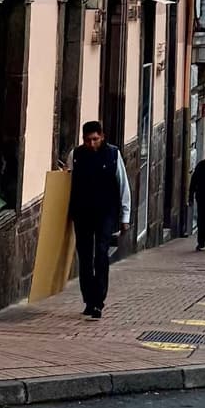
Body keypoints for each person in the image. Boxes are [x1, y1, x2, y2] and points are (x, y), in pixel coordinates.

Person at [68, 119, 124, 319]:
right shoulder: (75, 155)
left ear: (102, 137)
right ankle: (88, 299)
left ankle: (99, 301)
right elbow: (68, 183)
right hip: (82, 212)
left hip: (105, 212)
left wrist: (125, 216)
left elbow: (123, 185)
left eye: (95, 139)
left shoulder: (113, 154)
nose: (91, 144)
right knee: (84, 257)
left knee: (101, 253)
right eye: (87, 140)